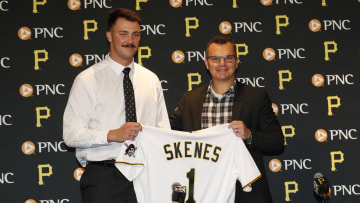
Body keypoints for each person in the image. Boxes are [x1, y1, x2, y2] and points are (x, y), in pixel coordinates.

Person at [63, 8, 170, 203]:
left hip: (146, 176)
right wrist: (112, 134)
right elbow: (71, 135)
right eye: (123, 34)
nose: (130, 40)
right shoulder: (88, 80)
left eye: (135, 34)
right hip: (104, 179)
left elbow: (164, 133)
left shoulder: (151, 80)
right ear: (109, 36)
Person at [170, 35, 284, 203]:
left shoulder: (256, 97)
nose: (222, 64)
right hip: (203, 191)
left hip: (244, 192)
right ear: (206, 63)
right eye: (215, 59)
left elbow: (277, 142)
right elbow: (166, 131)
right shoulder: (190, 99)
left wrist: (249, 134)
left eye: (228, 58)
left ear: (236, 62)